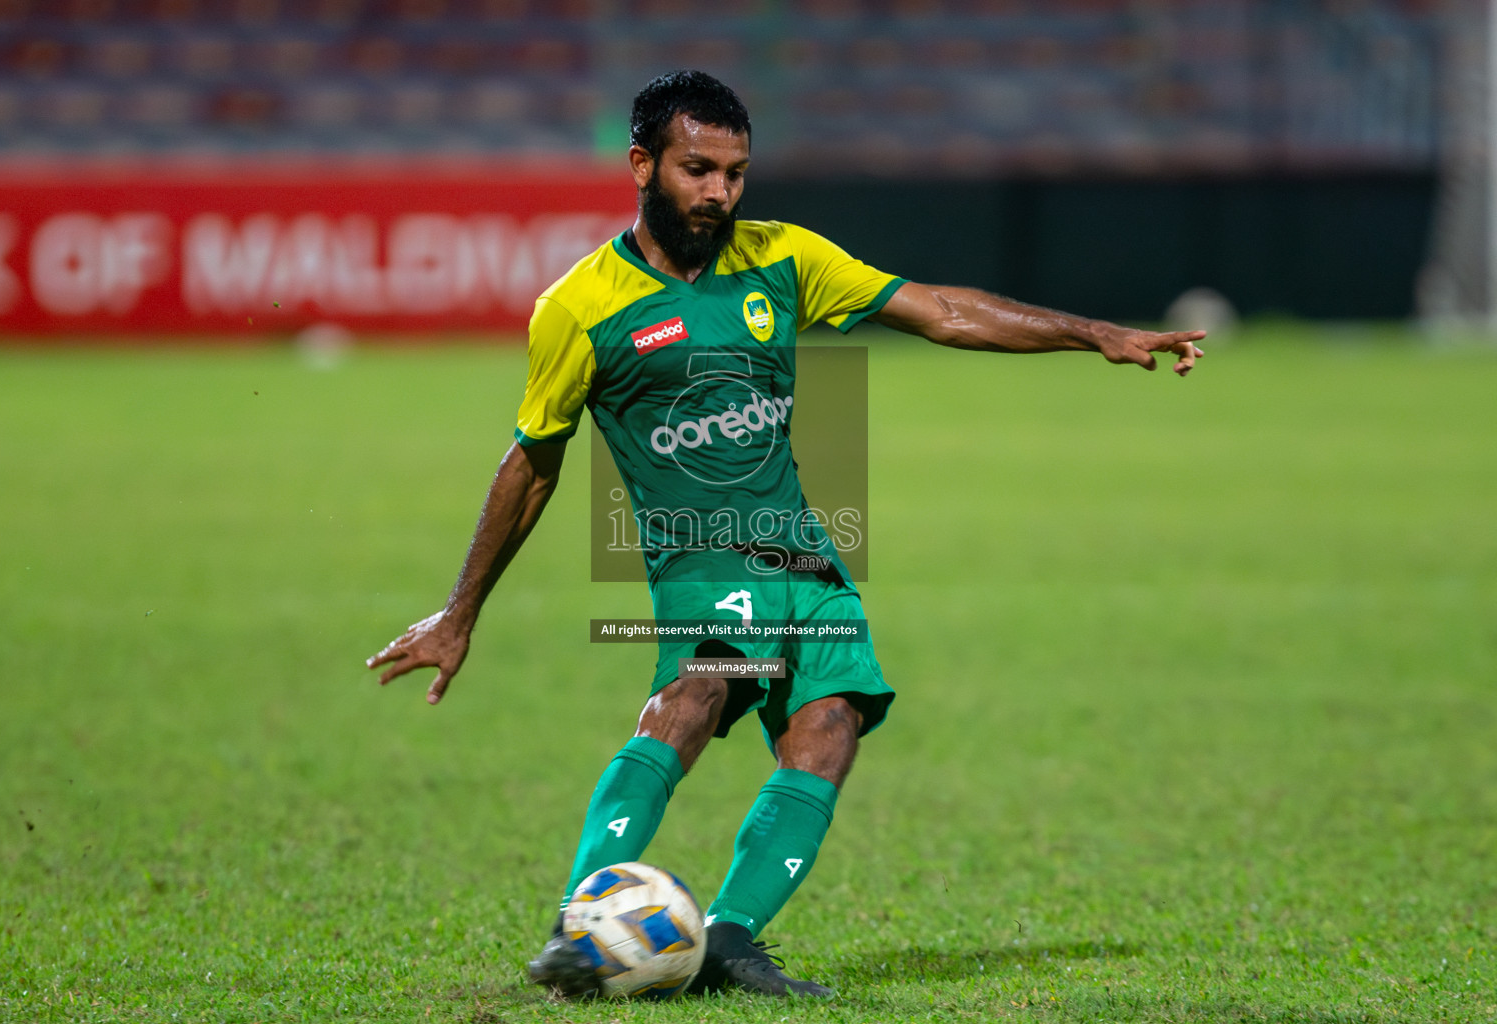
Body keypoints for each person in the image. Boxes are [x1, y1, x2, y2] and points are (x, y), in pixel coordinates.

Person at [366, 69, 1204, 999]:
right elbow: (531, 464)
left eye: (734, 171)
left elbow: (941, 309)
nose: (719, 192)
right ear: (641, 165)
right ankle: (580, 929)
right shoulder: (581, 306)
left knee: (833, 722)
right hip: (695, 553)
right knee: (696, 693)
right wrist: (460, 611)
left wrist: (1091, 332)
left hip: (802, 550)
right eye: (697, 170)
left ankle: (728, 938)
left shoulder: (784, 258)